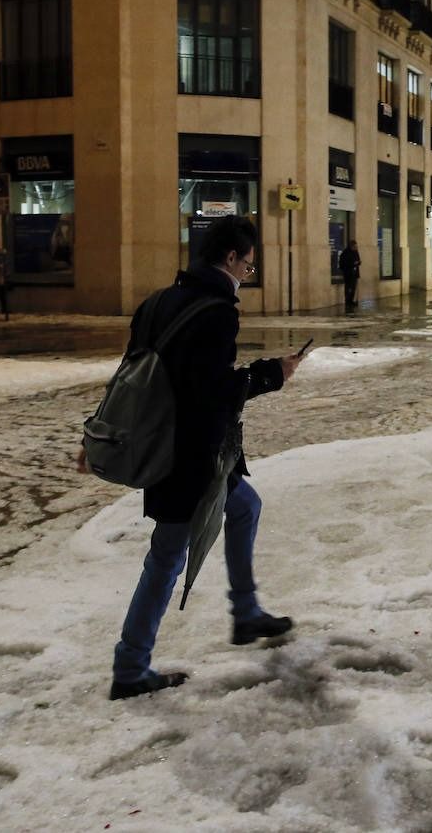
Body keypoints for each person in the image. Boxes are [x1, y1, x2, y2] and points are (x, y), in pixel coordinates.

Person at [104, 216, 304, 700]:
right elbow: (213, 393)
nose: (246, 276)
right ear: (231, 258)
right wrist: (271, 374)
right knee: (167, 556)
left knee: (245, 506)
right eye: (248, 267)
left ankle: (246, 612)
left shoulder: (157, 303)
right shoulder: (215, 310)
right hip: (189, 456)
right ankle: (130, 669)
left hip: (164, 443)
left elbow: (130, 374)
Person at [338, 240, 361, 310]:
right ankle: (347, 301)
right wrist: (353, 264)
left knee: (353, 288)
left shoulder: (356, 252)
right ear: (351, 246)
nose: (356, 248)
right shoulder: (345, 253)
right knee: (348, 288)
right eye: (354, 247)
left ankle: (351, 301)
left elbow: (358, 260)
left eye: (356, 246)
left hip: (354, 273)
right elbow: (342, 263)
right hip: (348, 273)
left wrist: (358, 263)